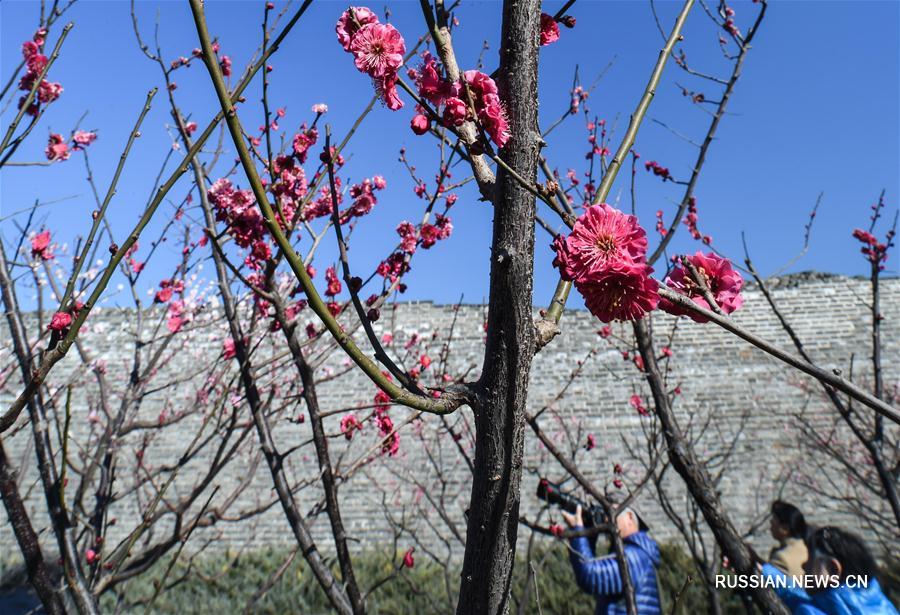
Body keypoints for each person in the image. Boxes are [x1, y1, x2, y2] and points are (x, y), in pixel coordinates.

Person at [761, 526, 898, 614]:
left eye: (810, 558)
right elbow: (795, 594)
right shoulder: (882, 605)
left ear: (832, 569)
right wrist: (765, 571)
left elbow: (799, 600)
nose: (803, 565)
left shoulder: (809, 612)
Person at [561, 503, 661, 615]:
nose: (606, 519)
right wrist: (589, 534)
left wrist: (578, 531)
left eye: (610, 513)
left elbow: (590, 576)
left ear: (629, 517)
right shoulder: (637, 554)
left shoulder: (635, 557)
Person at [769, 500, 809, 578]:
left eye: (774, 518)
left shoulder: (781, 558)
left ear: (785, 529)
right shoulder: (808, 550)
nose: (771, 522)